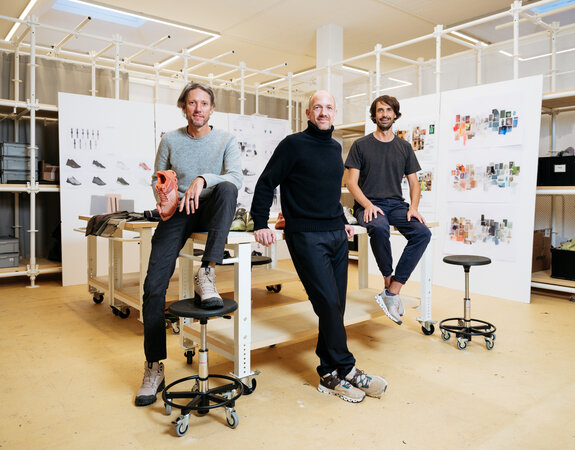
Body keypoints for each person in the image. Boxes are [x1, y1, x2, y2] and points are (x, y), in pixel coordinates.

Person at [250, 90, 387, 403]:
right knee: (326, 302)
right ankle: (348, 368)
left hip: (336, 235)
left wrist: (343, 220)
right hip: (306, 236)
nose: (323, 112)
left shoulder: (335, 148)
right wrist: (260, 223)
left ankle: (328, 373)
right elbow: (266, 182)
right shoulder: (293, 144)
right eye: (317, 108)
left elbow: (326, 194)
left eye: (328, 108)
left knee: (336, 305)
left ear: (334, 113)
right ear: (308, 113)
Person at [135, 82, 242, 407]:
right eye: (192, 103)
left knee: (226, 189)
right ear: (185, 107)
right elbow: (158, 178)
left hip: (210, 206)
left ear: (212, 108)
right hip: (179, 211)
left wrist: (201, 180)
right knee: (153, 288)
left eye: (204, 103)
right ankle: (154, 366)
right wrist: (168, 193)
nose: (198, 108)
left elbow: (235, 177)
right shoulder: (170, 139)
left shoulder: (226, 139)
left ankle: (206, 272)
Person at [345, 95, 431, 325]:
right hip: (368, 204)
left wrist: (413, 208)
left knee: (423, 233)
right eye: (380, 110)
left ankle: (392, 291)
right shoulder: (361, 145)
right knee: (380, 227)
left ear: (395, 114)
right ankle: (387, 282)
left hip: (395, 204)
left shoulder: (403, 146)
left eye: (388, 110)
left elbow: (414, 183)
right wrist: (367, 205)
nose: (384, 114)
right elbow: (351, 182)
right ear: (374, 115)